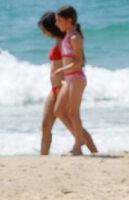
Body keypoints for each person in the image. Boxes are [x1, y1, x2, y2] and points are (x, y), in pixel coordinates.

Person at [38, 11, 96, 156]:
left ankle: (93, 150)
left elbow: (75, 62)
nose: (43, 33)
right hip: (54, 88)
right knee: (46, 125)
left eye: (44, 29)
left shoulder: (67, 40)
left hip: (63, 86)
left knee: (73, 121)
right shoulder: (61, 41)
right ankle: (43, 157)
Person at [54, 5, 97, 156]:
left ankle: (77, 147)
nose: (56, 24)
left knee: (73, 113)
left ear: (69, 20)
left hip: (77, 78)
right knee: (59, 111)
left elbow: (79, 62)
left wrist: (61, 70)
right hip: (69, 79)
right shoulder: (66, 37)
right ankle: (80, 139)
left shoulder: (75, 38)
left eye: (59, 20)